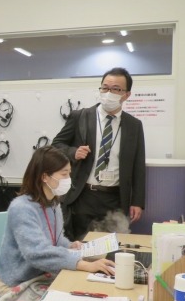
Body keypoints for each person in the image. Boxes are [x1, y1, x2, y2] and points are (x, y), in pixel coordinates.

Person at [0, 146, 115, 301]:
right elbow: (37, 253)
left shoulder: (52, 203)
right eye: (64, 174)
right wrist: (83, 264)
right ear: (45, 177)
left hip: (42, 275)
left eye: (69, 173)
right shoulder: (22, 208)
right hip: (17, 282)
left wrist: (70, 246)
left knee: (81, 299)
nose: (68, 179)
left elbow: (55, 240)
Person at [51, 67, 146, 241]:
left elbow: (138, 166)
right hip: (83, 196)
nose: (109, 93)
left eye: (116, 89)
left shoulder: (134, 125)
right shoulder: (80, 117)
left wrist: (138, 202)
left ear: (126, 95)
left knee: (111, 247)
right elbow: (56, 145)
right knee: (79, 245)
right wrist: (73, 152)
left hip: (115, 199)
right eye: (105, 88)